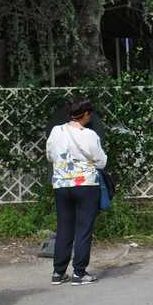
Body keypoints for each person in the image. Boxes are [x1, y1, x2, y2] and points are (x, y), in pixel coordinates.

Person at [46, 98, 107, 286]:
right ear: (86, 115)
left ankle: (58, 272)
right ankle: (79, 273)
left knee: (64, 227)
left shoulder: (56, 131)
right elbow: (101, 162)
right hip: (86, 185)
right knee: (83, 228)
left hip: (61, 184)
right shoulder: (89, 135)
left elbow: (50, 155)